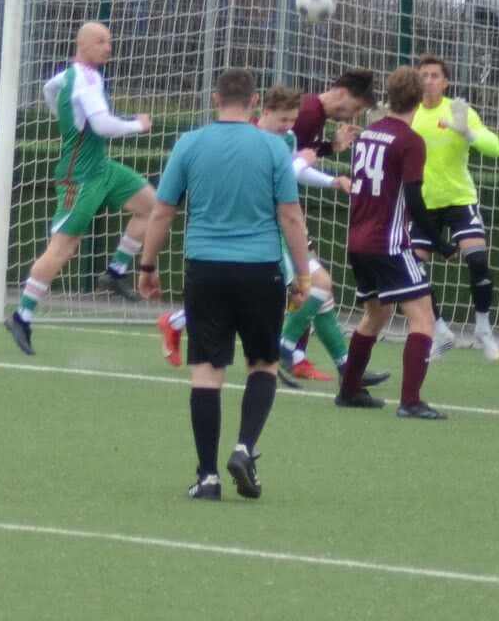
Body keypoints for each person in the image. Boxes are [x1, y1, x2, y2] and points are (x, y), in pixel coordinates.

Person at [134, 67, 309, 500]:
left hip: (206, 269)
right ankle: (244, 448)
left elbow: (161, 211)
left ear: (216, 99)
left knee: (207, 373)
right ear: (253, 103)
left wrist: (147, 265)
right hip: (261, 270)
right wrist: (301, 274)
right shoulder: (272, 147)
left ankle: (207, 476)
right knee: (263, 364)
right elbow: (290, 215)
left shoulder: (190, 143)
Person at [157, 87, 385, 392]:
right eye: (283, 119)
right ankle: (286, 347)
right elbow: (279, 173)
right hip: (262, 228)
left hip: (283, 225)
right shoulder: (250, 139)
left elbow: (294, 174)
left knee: (320, 290)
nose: (288, 126)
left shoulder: (288, 139)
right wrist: (305, 159)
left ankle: (347, 368)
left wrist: (332, 180)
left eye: (292, 120)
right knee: (298, 290)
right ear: (263, 111)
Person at [5, 21, 157, 355]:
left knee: (152, 206)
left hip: (101, 167)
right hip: (80, 176)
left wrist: (63, 115)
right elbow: (101, 125)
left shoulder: (72, 75)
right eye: (101, 41)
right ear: (81, 44)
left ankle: (115, 272)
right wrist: (138, 125)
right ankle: (21, 315)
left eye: (110, 41)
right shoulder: (86, 79)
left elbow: (48, 88)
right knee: (63, 247)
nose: (108, 47)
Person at [335, 66, 448, 419]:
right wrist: (439, 243)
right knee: (424, 319)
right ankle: (411, 401)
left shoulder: (369, 134)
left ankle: (350, 388)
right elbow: (413, 199)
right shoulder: (410, 141)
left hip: (357, 240)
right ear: (420, 99)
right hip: (389, 243)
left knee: (375, 315)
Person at [413, 56, 499, 360]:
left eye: (435, 75)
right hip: (425, 203)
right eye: (423, 75)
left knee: (477, 259)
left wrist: (468, 133)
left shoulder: (458, 110)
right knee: (413, 267)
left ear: (446, 81)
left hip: (460, 198)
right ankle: (440, 330)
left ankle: (483, 329)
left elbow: (495, 148)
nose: (428, 80)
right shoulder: (411, 114)